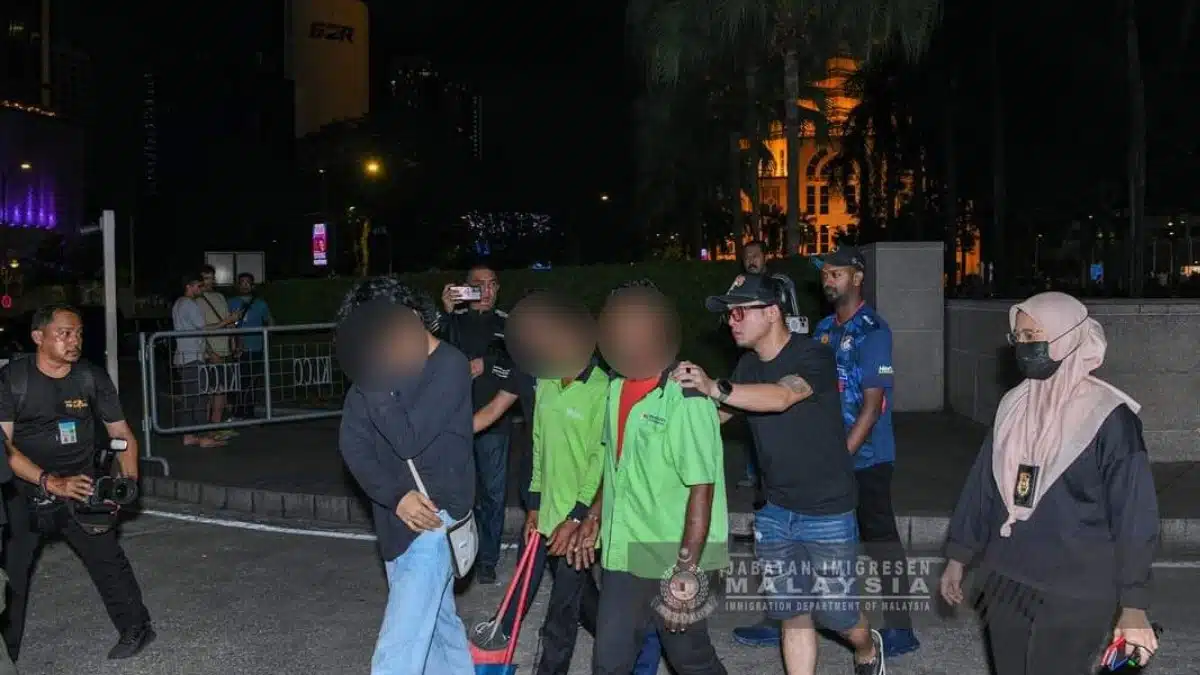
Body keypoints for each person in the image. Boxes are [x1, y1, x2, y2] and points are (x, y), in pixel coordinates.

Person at [941, 292, 1160, 675]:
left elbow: (1135, 514)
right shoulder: (1013, 406)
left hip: (1075, 589)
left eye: (1033, 336)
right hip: (1006, 577)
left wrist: (1134, 604)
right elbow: (983, 487)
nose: (1024, 346)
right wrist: (958, 556)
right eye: (1018, 337)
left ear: (1067, 337)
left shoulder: (1109, 417)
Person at [685, 273, 884, 675]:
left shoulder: (813, 356)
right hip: (775, 511)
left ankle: (867, 647)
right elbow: (716, 416)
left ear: (772, 312)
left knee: (838, 615)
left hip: (827, 509)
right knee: (792, 612)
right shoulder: (747, 365)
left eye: (740, 311)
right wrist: (674, 402)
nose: (732, 321)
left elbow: (783, 396)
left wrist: (716, 387)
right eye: (728, 314)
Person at [571, 283, 728, 675]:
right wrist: (593, 515)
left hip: (674, 551)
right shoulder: (614, 389)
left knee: (689, 658)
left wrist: (687, 572)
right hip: (624, 552)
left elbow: (702, 490)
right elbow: (617, 467)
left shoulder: (686, 398)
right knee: (609, 661)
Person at [336, 278, 476, 675]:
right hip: (396, 521)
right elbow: (353, 445)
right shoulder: (378, 368)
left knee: (397, 653)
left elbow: (407, 438)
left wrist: (374, 382)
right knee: (440, 634)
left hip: (435, 521)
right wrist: (396, 495)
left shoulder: (448, 365)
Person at [0, 304, 155, 661]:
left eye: (79, 333)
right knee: (13, 578)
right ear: (38, 337)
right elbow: (3, 448)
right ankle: (7, 654)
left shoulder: (90, 377)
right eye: (65, 333)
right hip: (24, 489)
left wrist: (128, 483)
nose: (75, 341)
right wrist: (50, 482)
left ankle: (137, 628)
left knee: (107, 561)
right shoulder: (13, 380)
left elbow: (122, 434)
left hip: (81, 484)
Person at [810, 245, 919, 657]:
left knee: (881, 541)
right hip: (829, 454)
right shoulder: (823, 329)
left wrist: (841, 460)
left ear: (857, 278)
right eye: (825, 273)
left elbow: (872, 409)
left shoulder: (874, 331)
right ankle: (791, 619)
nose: (828, 280)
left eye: (836, 273)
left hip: (868, 457)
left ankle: (901, 628)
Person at [440, 263, 511, 584]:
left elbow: (521, 361)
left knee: (493, 495)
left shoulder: (508, 325)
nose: (487, 291)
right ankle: (456, 554)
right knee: (457, 492)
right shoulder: (451, 321)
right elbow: (429, 353)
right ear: (465, 289)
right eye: (479, 285)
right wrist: (445, 312)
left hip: (495, 422)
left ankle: (487, 560)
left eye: (492, 284)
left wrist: (488, 364)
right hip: (454, 421)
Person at [170, 273, 230, 448]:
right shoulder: (190, 304)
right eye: (199, 285)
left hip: (184, 356)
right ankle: (202, 436)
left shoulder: (179, 303)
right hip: (192, 357)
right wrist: (227, 321)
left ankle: (189, 435)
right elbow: (204, 329)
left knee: (190, 399)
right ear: (189, 286)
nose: (201, 289)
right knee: (200, 399)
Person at [736, 240, 767, 490]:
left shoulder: (776, 285)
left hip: (772, 363)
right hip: (750, 361)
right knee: (750, 417)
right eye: (747, 257)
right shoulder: (739, 285)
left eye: (756, 255)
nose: (751, 261)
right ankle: (752, 472)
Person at [197, 265, 239, 438]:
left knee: (222, 390)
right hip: (210, 351)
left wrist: (234, 341)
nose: (210, 281)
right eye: (206, 278)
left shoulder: (220, 297)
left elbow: (228, 321)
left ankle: (216, 426)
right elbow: (199, 329)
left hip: (225, 349)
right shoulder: (197, 300)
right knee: (210, 391)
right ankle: (206, 428)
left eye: (212, 277)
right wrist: (209, 351)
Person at [226, 272, 272, 420]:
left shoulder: (261, 304)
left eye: (247, 283)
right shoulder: (230, 303)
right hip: (237, 349)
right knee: (239, 380)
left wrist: (266, 335)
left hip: (256, 347)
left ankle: (249, 411)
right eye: (242, 282)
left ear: (253, 285)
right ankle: (238, 410)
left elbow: (269, 321)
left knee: (253, 381)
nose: (245, 285)